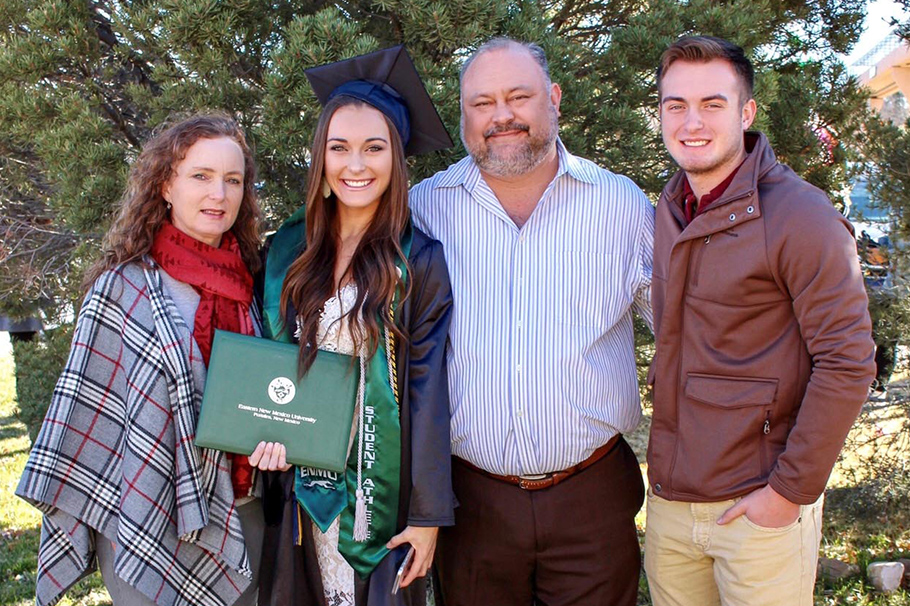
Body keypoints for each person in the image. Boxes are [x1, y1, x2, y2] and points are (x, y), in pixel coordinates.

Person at [409, 37, 654, 606]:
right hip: (471, 505)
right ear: (464, 113)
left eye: (519, 96)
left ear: (555, 99)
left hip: (592, 497)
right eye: (482, 102)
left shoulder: (621, 206)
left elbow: (686, 334)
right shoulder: (424, 209)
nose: (502, 116)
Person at [644, 35, 876, 606]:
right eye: (676, 105)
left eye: (713, 104)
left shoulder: (800, 216)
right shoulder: (670, 207)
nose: (691, 121)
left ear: (746, 113)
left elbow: (848, 361)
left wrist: (788, 492)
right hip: (671, 506)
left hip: (758, 506)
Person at [16, 114, 265, 606]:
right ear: (166, 184)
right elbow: (88, 415)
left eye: (232, 180)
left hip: (244, 511)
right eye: (201, 176)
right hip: (145, 512)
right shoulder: (122, 288)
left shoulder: (255, 283)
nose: (219, 193)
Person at [252, 46, 455, 606]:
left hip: (379, 489)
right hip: (300, 487)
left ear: (397, 159)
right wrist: (257, 432)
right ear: (320, 157)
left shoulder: (417, 260)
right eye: (339, 148)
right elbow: (264, 367)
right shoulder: (286, 253)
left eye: (374, 148)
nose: (356, 165)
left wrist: (427, 515)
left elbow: (428, 391)